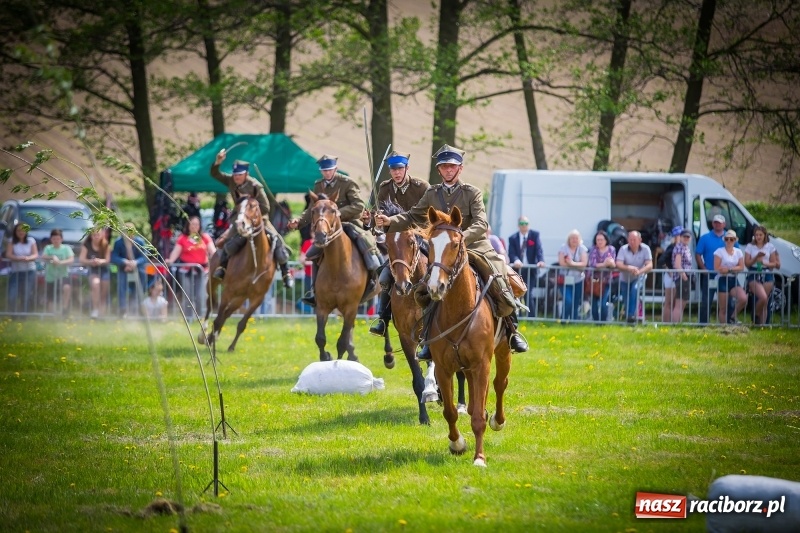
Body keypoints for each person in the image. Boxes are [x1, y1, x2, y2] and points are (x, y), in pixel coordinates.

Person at [374, 144, 529, 359]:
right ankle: (428, 339)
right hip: (442, 250)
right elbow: (412, 216)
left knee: (498, 275)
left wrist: (461, 237)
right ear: (439, 170)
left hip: (473, 245)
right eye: (444, 167)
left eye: (452, 166)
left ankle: (512, 331)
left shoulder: (472, 193)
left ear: (460, 169)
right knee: (425, 289)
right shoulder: (432, 193)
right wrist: (390, 220)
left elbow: (481, 223)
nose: (448, 170)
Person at [287, 154, 381, 307]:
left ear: (335, 169)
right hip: (328, 228)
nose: (327, 173)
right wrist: (298, 221)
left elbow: (358, 206)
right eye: (324, 170)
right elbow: (312, 209)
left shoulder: (347, 183)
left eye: (330, 170)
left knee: (367, 241)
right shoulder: (319, 185)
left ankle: (374, 278)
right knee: (312, 253)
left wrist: (337, 214)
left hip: (349, 222)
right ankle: (314, 291)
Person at [361, 150, 429, 336]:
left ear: (407, 168)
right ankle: (383, 319)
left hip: (420, 235)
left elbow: (430, 213)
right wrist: (368, 221)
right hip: (397, 240)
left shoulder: (421, 187)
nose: (397, 173)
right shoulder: (384, 188)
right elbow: (378, 217)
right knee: (384, 277)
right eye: (393, 170)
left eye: (400, 169)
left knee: (439, 268)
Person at [209, 151, 293, 288]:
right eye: (235, 174)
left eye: (239, 174)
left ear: (246, 174)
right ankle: (222, 267)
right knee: (226, 240)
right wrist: (218, 162)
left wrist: (252, 216)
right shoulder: (231, 181)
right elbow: (215, 174)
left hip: (259, 221)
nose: (236, 177)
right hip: (239, 220)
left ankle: (286, 273)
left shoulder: (255, 186)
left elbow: (266, 207)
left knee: (277, 240)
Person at [166, 216, 216, 318]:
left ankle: (200, 317)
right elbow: (176, 251)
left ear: (200, 226)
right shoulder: (183, 238)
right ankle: (188, 318)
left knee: (201, 295)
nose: (194, 226)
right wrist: (170, 260)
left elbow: (213, 251)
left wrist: (217, 259)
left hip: (202, 271)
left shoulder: (205, 237)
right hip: (186, 271)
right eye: (192, 224)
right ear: (188, 225)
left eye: (196, 224)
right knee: (187, 296)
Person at [695, 214, 731, 324]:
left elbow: (737, 253)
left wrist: (731, 269)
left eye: (719, 223)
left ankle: (727, 323)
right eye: (715, 222)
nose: (717, 224)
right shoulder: (705, 238)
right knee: (706, 301)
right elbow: (698, 254)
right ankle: (703, 324)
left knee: (728, 302)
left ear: (724, 224)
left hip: (725, 275)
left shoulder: (730, 238)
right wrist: (703, 268)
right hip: (710, 274)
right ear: (712, 224)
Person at [507, 215, 545, 314]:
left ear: (529, 225)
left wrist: (540, 260)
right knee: (516, 293)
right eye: (522, 223)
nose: (524, 225)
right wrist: (516, 260)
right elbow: (511, 253)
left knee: (528, 293)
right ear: (518, 225)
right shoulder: (512, 238)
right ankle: (517, 316)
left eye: (526, 223)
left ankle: (532, 317)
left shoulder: (535, 235)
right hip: (517, 270)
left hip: (530, 270)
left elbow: (539, 250)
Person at [111, 223, 150, 317]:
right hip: (123, 268)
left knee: (142, 280)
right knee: (121, 284)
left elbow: (144, 257)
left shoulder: (140, 242)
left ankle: (137, 305)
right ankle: (123, 309)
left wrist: (135, 262)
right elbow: (114, 257)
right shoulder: (118, 242)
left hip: (137, 268)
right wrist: (124, 261)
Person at [744, 225, 780, 325]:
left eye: (760, 235)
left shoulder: (770, 246)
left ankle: (762, 325)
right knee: (762, 297)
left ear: (765, 235)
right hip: (754, 272)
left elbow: (774, 263)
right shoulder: (750, 246)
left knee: (765, 301)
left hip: (767, 272)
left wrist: (764, 263)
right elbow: (747, 263)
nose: (758, 237)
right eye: (756, 235)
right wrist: (756, 257)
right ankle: (755, 316)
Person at [615, 230, 653, 323]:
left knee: (634, 290)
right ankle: (630, 318)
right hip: (625, 278)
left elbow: (649, 265)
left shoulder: (646, 249)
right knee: (626, 298)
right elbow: (618, 264)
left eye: (634, 239)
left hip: (639, 277)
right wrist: (629, 268)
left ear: (640, 240)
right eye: (630, 239)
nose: (632, 242)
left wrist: (639, 271)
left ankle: (630, 315)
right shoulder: (623, 249)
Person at [714, 229, 747, 324]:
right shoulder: (719, 251)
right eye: (727, 239)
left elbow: (741, 267)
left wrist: (729, 269)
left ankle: (732, 317)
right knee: (723, 308)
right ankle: (723, 328)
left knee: (743, 298)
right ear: (724, 240)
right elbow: (717, 268)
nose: (729, 241)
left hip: (733, 278)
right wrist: (734, 269)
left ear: (735, 240)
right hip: (722, 279)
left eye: (731, 239)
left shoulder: (738, 252)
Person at [4, 223, 38, 313]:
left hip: (29, 271)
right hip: (16, 271)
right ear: (15, 232)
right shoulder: (11, 241)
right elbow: (8, 254)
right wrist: (18, 258)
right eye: (18, 230)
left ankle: (24, 314)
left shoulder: (31, 241)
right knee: (12, 294)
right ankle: (13, 314)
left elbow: (35, 254)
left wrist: (28, 258)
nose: (21, 232)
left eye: (23, 230)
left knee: (26, 294)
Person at [41, 228, 74, 315]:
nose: (56, 241)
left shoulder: (66, 248)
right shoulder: (48, 248)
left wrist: (60, 262)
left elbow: (71, 259)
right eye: (54, 239)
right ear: (51, 239)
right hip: (50, 276)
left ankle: (64, 309)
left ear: (61, 239)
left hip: (63, 275)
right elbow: (43, 256)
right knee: (51, 297)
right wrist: (52, 257)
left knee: (67, 288)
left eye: (58, 239)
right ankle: (51, 315)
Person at [557, 229, 588, 321]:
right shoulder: (563, 248)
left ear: (579, 239)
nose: (574, 240)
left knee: (575, 302)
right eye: (572, 238)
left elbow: (584, 264)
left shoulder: (582, 248)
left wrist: (571, 263)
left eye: (576, 238)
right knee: (568, 300)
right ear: (569, 239)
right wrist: (577, 265)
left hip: (579, 280)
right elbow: (562, 263)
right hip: (565, 279)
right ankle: (564, 319)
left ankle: (573, 321)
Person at [79, 228, 111, 318]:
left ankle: (102, 312)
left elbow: (107, 260)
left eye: (98, 235)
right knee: (95, 285)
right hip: (92, 270)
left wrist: (100, 261)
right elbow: (82, 259)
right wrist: (91, 262)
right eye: (94, 235)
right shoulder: (86, 245)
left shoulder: (105, 245)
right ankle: (95, 309)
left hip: (104, 269)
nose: (96, 237)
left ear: (101, 235)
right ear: (91, 236)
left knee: (104, 291)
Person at [586, 230, 616, 322]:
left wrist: (609, 263)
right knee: (594, 303)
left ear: (606, 240)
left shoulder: (611, 249)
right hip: (594, 280)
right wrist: (605, 264)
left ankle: (603, 322)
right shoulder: (593, 249)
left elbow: (613, 264)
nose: (599, 242)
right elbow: (593, 264)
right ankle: (596, 322)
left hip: (606, 280)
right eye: (598, 240)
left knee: (603, 303)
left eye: (601, 240)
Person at [660, 226, 683, 322]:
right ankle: (666, 323)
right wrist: (668, 270)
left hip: (679, 276)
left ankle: (675, 322)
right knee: (669, 302)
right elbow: (661, 260)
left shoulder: (683, 247)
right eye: (679, 235)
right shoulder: (672, 247)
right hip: (671, 276)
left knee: (676, 302)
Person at [670, 228, 694, 323]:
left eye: (688, 237)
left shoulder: (686, 247)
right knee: (679, 304)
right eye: (684, 236)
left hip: (686, 277)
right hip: (681, 277)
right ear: (680, 237)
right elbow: (677, 264)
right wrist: (684, 276)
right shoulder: (679, 247)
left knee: (683, 303)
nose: (686, 238)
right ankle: (675, 325)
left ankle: (679, 323)